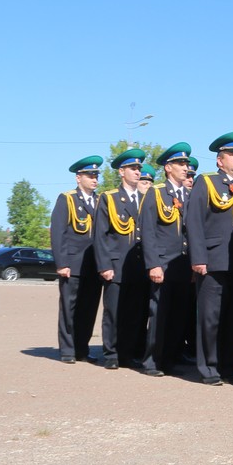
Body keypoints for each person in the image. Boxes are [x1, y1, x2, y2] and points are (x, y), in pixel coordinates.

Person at [185, 132, 233, 386]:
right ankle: (209, 367)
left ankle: (228, 364)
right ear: (219, 160)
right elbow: (193, 221)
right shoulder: (208, 182)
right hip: (213, 261)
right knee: (210, 317)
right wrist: (198, 258)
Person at [139, 143, 194, 377]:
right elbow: (148, 231)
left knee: (179, 315)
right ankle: (152, 361)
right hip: (162, 263)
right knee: (159, 314)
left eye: (187, 164)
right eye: (181, 164)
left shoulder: (189, 196)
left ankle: (169, 359)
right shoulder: (156, 193)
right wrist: (153, 264)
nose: (186, 167)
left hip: (183, 265)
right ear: (168, 168)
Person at [93, 148, 149, 370]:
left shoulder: (146, 199)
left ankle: (128, 353)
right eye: (133, 168)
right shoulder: (110, 198)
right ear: (121, 172)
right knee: (114, 312)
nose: (137, 172)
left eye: (138, 169)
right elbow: (101, 235)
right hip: (116, 265)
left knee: (135, 313)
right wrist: (104, 265)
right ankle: (111, 353)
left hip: (138, 265)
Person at [50, 155, 104, 364]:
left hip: (94, 264)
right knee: (69, 308)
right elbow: (58, 233)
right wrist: (62, 263)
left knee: (89, 308)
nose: (94, 179)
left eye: (96, 175)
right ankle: (67, 349)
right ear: (78, 178)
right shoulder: (67, 199)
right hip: (72, 264)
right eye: (90, 175)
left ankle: (82, 348)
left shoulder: (100, 200)